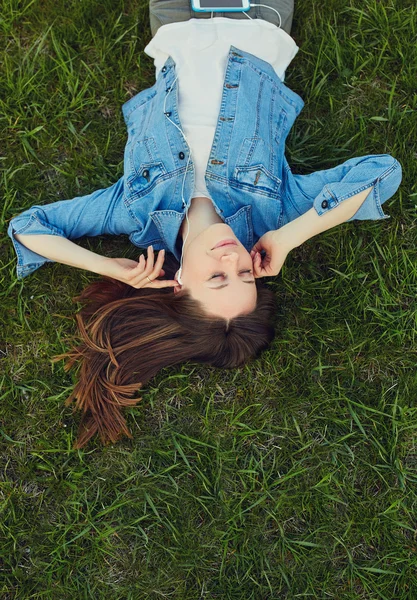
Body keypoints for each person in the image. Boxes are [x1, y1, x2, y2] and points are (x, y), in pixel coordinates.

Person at [7, 0, 402, 448]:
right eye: (246, 273)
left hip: (175, 29)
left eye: (217, 277)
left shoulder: (135, 212)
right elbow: (382, 173)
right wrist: (292, 235)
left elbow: (28, 227)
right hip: (259, 23)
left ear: (178, 284)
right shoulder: (274, 211)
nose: (233, 257)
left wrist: (109, 268)